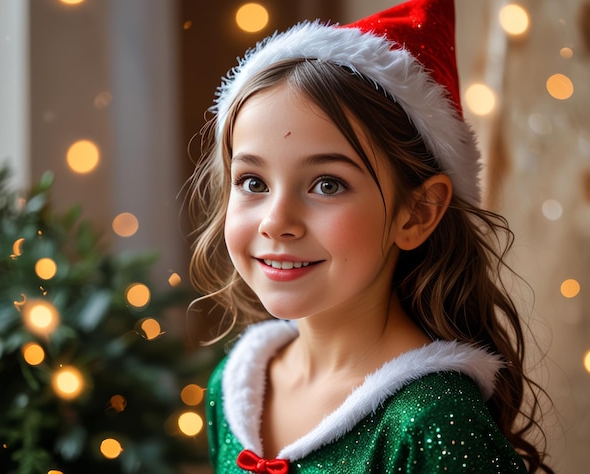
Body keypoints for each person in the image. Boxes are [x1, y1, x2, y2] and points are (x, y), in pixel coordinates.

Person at [187, 0, 553, 472]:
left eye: (327, 185)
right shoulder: (234, 387)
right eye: (253, 183)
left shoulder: (433, 420)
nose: (275, 222)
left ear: (417, 213)